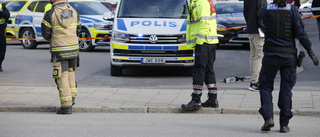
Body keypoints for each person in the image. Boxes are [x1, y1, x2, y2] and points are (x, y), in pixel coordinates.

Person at [259, 0, 319, 133]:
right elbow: (300, 33)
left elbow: (261, 25)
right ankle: (284, 125)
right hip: (288, 56)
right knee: (286, 89)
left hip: (270, 55)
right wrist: (310, 51)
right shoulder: (293, 10)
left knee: (265, 86)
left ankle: (268, 118)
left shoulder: (264, 9)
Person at [41, 0, 81, 114]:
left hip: (59, 50)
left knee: (61, 76)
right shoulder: (74, 11)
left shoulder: (50, 13)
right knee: (71, 72)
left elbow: (46, 33)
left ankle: (66, 106)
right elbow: (79, 29)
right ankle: (72, 96)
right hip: (73, 48)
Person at [181, 0, 219, 110]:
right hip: (209, 41)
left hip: (204, 41)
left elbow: (204, 22)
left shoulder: (201, 3)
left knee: (199, 69)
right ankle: (212, 98)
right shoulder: (200, 2)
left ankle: (196, 99)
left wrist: (199, 41)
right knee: (208, 69)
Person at [243, 0, 267, 91]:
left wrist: (250, 24)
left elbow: (245, 13)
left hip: (251, 29)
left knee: (253, 56)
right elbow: (261, 14)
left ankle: (253, 81)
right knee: (259, 56)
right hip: (259, 32)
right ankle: (255, 82)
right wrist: (264, 28)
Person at [0, 2, 10, 72]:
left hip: (1, 30)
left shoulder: (2, 6)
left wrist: (1, 14)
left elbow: (7, 15)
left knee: (2, 49)